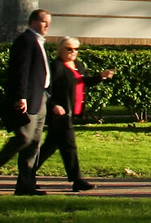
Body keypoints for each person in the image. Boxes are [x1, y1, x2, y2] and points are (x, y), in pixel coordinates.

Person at [0, 9, 52, 194]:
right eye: (44, 22)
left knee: (34, 142)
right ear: (33, 21)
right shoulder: (25, 41)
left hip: (40, 97)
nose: (47, 26)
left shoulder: (38, 42)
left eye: (49, 22)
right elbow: (20, 71)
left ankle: (26, 185)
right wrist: (21, 97)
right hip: (28, 99)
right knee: (24, 138)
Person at [37, 36, 115, 192]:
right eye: (69, 49)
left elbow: (83, 82)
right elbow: (45, 90)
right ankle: (77, 180)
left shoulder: (78, 65)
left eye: (76, 49)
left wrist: (100, 76)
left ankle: (27, 173)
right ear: (61, 50)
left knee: (50, 147)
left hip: (71, 112)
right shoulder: (56, 67)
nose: (73, 52)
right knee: (69, 146)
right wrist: (53, 105)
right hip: (60, 113)